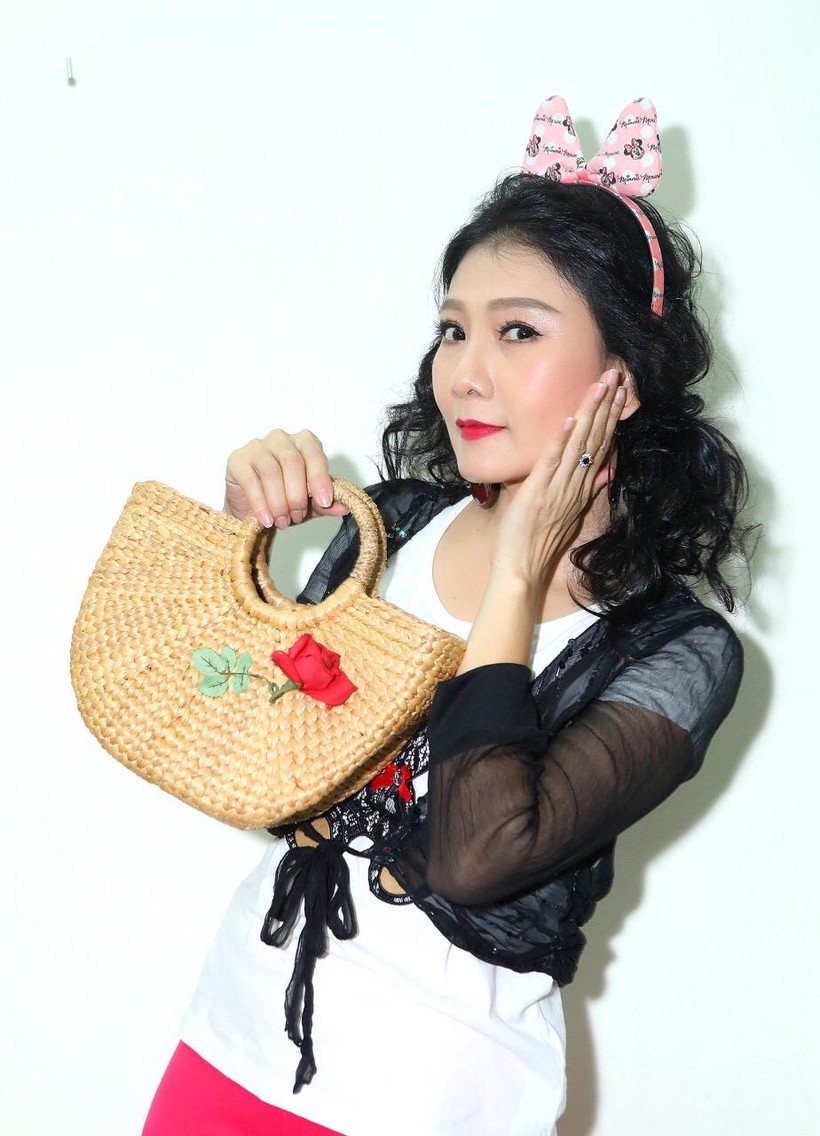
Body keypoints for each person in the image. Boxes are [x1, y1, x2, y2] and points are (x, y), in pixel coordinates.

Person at [141, 97, 748, 1136]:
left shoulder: (674, 649)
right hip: (237, 1031)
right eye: (454, 329)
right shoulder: (394, 526)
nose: (465, 370)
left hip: (434, 1091)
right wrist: (239, 545)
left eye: (518, 331)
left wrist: (516, 579)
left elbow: (478, 854)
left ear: (624, 378)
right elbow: (251, 749)